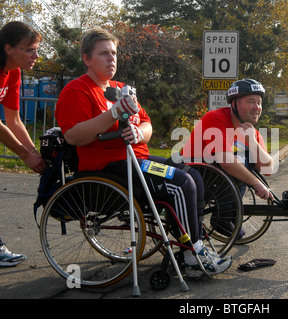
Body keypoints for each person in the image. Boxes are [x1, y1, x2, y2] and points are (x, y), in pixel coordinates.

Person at [54, 27, 231, 278]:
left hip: (136, 158)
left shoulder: (121, 88)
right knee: (180, 184)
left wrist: (140, 133)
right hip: (108, 166)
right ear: (87, 59)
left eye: (114, 53)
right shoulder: (77, 90)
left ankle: (192, 242)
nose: (111, 58)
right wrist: (113, 114)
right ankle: (193, 255)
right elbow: (73, 136)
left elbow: (146, 123)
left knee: (193, 174)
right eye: (103, 53)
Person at [0, 21, 47, 267]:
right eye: (30, 49)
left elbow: (14, 119)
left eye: (36, 49)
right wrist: (24, 155)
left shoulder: (14, 72)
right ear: (9, 48)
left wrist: (34, 153)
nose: (36, 56)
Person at [182, 78, 275, 200]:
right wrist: (256, 183)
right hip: (192, 177)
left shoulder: (253, 133)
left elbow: (267, 169)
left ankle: (229, 218)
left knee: (244, 159)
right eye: (251, 101)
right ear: (235, 104)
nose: (257, 107)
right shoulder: (215, 118)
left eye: (259, 102)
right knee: (239, 163)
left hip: (218, 182)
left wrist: (252, 142)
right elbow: (227, 162)